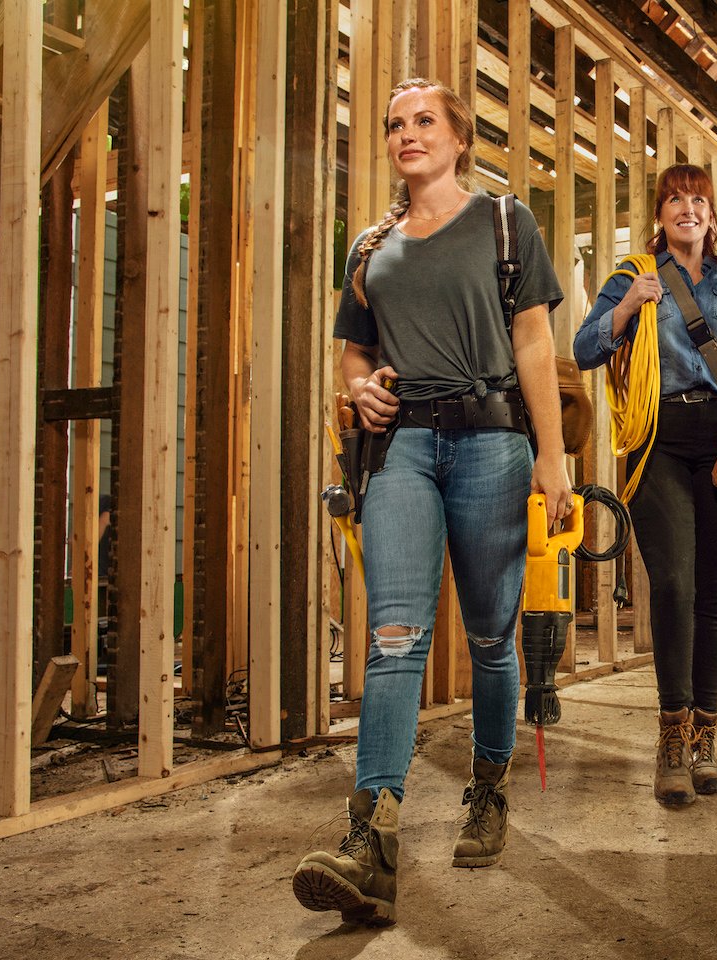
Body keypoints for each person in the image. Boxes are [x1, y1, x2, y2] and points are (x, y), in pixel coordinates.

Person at [292, 78, 571, 926]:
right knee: (394, 635)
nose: (406, 134)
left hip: (492, 441)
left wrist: (552, 458)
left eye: (423, 122)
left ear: (458, 139)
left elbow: (532, 341)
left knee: (490, 635)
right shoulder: (370, 245)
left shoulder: (502, 223)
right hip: (401, 448)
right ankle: (370, 840)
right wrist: (357, 392)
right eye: (393, 126)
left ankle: (488, 790)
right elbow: (352, 352)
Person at [573, 164, 717, 807]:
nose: (688, 208)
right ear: (659, 214)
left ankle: (704, 740)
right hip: (659, 439)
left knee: (711, 593)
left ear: (712, 216)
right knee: (670, 584)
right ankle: (671, 734)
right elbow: (587, 348)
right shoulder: (632, 277)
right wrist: (625, 306)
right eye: (675, 198)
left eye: (698, 198)